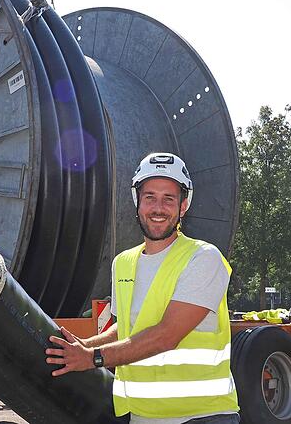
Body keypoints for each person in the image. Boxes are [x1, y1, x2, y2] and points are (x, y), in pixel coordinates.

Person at [45, 153, 239, 423]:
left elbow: (167, 336)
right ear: (137, 201)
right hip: (143, 416)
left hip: (203, 416)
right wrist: (84, 346)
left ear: (183, 206)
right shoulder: (123, 263)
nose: (158, 208)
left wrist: (93, 357)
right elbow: (126, 327)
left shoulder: (203, 258)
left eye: (168, 199)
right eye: (150, 197)